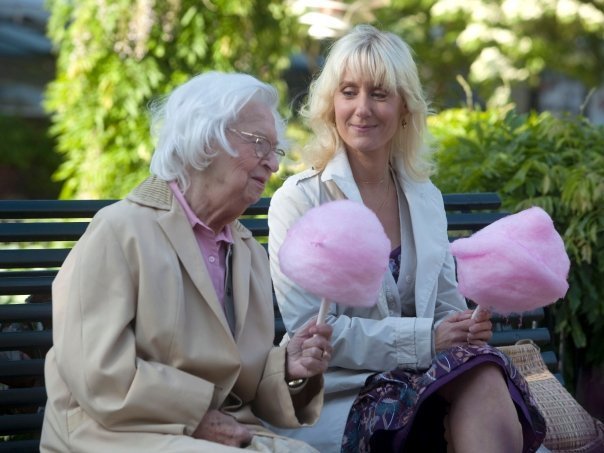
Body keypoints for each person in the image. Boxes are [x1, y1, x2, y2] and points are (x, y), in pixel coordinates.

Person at [267, 25, 547, 453]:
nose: (362, 108)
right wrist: (427, 339)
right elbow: (313, 333)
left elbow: (445, 307)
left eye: (379, 93)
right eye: (348, 92)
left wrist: (464, 327)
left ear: (404, 109)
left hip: (431, 381)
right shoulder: (300, 200)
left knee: (481, 369)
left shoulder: (425, 197)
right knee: (470, 387)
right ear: (330, 104)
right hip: (344, 395)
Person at [40, 71, 333, 453]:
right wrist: (197, 417)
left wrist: (288, 370)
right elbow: (99, 374)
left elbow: (241, 381)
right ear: (206, 138)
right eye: (260, 144)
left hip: (216, 431)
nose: (273, 165)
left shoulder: (246, 250)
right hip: (114, 430)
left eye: (274, 151)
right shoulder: (119, 230)